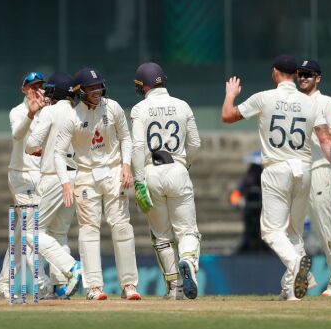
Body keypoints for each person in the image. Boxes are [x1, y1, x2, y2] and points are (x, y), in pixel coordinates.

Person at [220, 54, 331, 301]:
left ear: (275, 73)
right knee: (293, 232)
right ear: (295, 75)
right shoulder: (310, 104)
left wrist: (231, 94)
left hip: (277, 168)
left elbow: (227, 116)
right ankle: (291, 292)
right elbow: (325, 140)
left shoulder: (264, 97)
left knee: (270, 231)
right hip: (304, 169)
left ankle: (300, 266)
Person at [54, 67, 141, 300]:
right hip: (85, 176)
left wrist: (126, 165)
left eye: (99, 86)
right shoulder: (72, 117)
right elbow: (57, 153)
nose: (97, 91)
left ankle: (129, 285)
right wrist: (65, 183)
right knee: (89, 230)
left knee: (122, 226)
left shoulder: (112, 108)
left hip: (114, 172)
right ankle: (94, 287)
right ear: (80, 91)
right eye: (91, 88)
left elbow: (126, 138)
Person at [130, 62, 201, 300]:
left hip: (151, 172)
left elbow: (138, 147)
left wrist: (139, 181)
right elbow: (195, 144)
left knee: (161, 236)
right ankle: (188, 260)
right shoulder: (183, 106)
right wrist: (184, 163)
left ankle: (174, 288)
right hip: (178, 170)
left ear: (143, 85)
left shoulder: (140, 109)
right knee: (187, 230)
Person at [0, 72, 53, 300]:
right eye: (32, 86)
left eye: (40, 86)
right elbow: (18, 135)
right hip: (20, 176)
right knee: (31, 228)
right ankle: (42, 282)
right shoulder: (17, 112)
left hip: (40, 176)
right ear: (23, 89)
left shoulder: (48, 112)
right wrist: (31, 112)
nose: (36, 90)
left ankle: (3, 284)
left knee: (21, 234)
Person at [25, 72, 83, 298]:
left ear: (56, 93)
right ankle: (61, 287)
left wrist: (36, 148)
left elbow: (31, 144)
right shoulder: (78, 114)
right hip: (74, 178)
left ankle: (71, 268)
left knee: (31, 232)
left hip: (53, 178)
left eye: (50, 92)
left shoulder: (49, 111)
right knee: (59, 233)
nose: (47, 96)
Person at [297, 59, 331, 296]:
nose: (303, 78)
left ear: (318, 78)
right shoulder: (292, 101)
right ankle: (300, 276)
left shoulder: (325, 102)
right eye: (300, 74)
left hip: (318, 169)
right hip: (294, 171)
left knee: (325, 229)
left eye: (308, 74)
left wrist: (321, 127)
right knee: (285, 228)